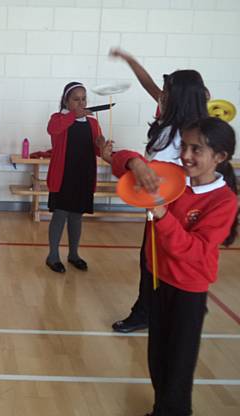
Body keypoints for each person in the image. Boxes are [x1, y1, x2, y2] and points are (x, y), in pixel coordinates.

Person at [110, 117, 238, 416]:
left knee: (178, 365)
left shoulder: (224, 201)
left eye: (197, 150)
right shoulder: (175, 178)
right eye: (184, 147)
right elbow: (116, 160)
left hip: (188, 291)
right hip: (159, 280)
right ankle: (161, 408)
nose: (186, 155)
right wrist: (135, 164)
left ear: (219, 157)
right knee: (158, 357)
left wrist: (163, 216)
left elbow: (193, 251)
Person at [106, 48, 209, 332]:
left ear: (180, 97)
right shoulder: (169, 118)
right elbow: (149, 85)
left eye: (166, 91)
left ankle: (150, 312)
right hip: (160, 203)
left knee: (160, 261)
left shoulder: (191, 131)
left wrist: (131, 164)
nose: (160, 95)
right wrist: (130, 61)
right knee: (151, 260)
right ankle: (155, 310)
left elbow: (161, 172)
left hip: (177, 206)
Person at [45, 81, 104, 273]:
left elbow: (97, 149)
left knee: (77, 217)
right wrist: (72, 116)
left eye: (84, 99)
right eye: (76, 99)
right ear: (66, 101)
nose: (81, 103)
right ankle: (53, 255)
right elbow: (53, 130)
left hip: (83, 175)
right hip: (64, 175)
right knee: (60, 215)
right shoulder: (58, 118)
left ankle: (73, 254)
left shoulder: (93, 122)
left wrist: (103, 146)